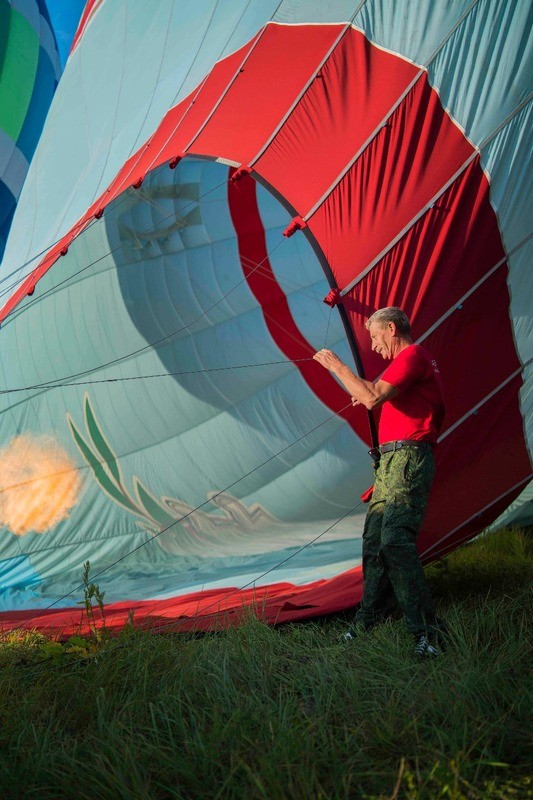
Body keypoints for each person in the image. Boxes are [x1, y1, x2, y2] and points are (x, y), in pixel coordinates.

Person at [313, 306, 446, 656]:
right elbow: (374, 393)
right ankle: (368, 621)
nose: (373, 346)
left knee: (395, 541)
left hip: (407, 459)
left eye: (374, 337)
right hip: (390, 462)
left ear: (391, 328)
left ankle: (427, 633)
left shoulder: (413, 354)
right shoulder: (407, 365)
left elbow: (372, 397)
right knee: (374, 542)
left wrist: (337, 367)